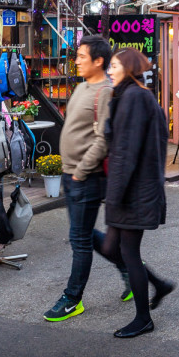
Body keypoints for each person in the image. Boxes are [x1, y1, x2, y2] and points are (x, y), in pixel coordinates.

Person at [43, 35, 131, 323]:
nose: (77, 60)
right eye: (77, 55)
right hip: (71, 174)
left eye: (82, 56)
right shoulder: (82, 86)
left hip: (86, 177)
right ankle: (130, 267)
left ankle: (72, 299)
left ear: (99, 61)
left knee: (79, 240)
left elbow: (102, 139)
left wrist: (81, 170)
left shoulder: (105, 91)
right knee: (82, 234)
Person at [102, 49, 175, 338]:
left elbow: (125, 151)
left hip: (134, 189)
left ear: (129, 67)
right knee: (112, 248)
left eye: (115, 65)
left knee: (127, 251)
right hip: (135, 187)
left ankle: (143, 318)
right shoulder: (133, 95)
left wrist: (115, 194)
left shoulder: (133, 97)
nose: (110, 70)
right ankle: (158, 284)